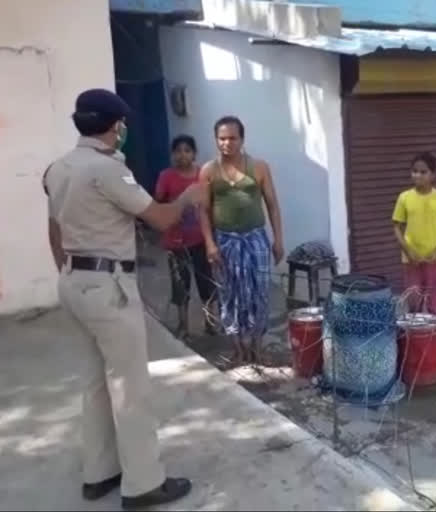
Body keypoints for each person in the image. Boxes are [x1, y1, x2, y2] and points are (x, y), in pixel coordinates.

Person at [43, 89, 198, 508]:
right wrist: (188, 196)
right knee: (130, 387)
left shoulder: (58, 169)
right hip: (108, 287)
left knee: (93, 382)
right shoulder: (108, 170)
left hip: (73, 282)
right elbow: (162, 218)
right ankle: (144, 482)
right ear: (115, 126)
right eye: (122, 124)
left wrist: (72, 273)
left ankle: (99, 473)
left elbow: (55, 230)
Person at [200, 116, 285, 366]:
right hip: (225, 241)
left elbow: (272, 205)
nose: (227, 143)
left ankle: (257, 347)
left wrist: (278, 240)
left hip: (256, 239)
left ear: (242, 139)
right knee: (229, 293)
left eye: (232, 138)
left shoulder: (259, 167)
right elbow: (202, 210)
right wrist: (209, 244)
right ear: (216, 140)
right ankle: (238, 349)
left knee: (259, 292)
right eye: (222, 138)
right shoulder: (208, 171)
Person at [155, 135, 216, 338]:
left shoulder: (202, 174)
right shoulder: (166, 176)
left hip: (200, 239)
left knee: (206, 283)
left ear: (194, 153)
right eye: (178, 151)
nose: (183, 155)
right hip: (176, 241)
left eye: (187, 150)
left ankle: (210, 322)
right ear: (173, 154)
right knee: (180, 285)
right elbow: (158, 204)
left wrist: (212, 240)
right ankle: (183, 325)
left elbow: (211, 205)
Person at [393, 152, 436, 316]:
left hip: (434, 260)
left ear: (433, 175)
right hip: (411, 260)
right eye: (414, 171)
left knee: (435, 304)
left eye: (423, 172)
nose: (417, 175)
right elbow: (396, 226)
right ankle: (415, 339)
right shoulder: (404, 198)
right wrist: (408, 251)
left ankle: (435, 338)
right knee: (414, 304)